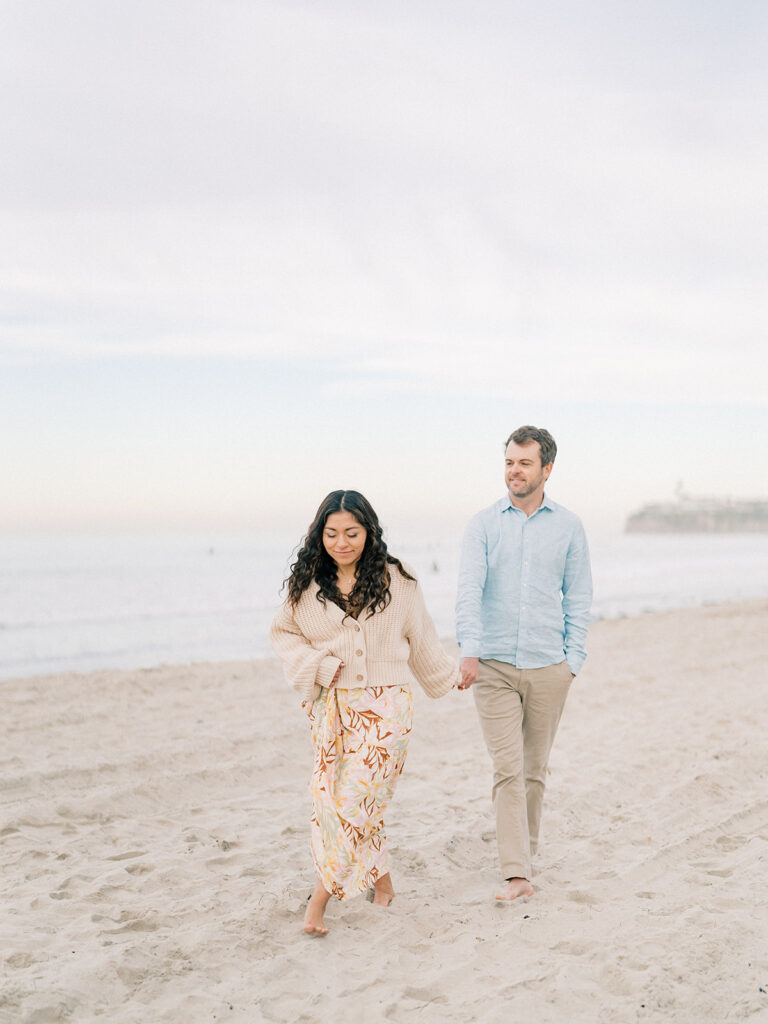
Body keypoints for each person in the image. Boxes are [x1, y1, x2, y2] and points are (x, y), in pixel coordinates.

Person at [270, 489, 459, 935]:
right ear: (319, 536)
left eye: (351, 532)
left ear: (369, 532)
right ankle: (384, 883)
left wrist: (451, 676)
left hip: (387, 706)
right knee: (339, 800)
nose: (342, 542)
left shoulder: (400, 580)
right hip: (331, 708)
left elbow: (424, 639)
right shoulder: (307, 585)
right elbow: (282, 634)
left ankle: (318, 901)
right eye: (331, 533)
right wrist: (316, 665)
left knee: (355, 801)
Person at [455, 425, 592, 902]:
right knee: (508, 768)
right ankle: (517, 873)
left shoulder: (569, 526)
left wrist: (572, 660)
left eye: (524, 463)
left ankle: (525, 857)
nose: (514, 471)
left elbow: (579, 597)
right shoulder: (483, 524)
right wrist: (469, 650)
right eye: (510, 462)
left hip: (549, 666)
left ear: (546, 469)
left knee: (534, 770)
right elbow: (469, 592)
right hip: (491, 666)